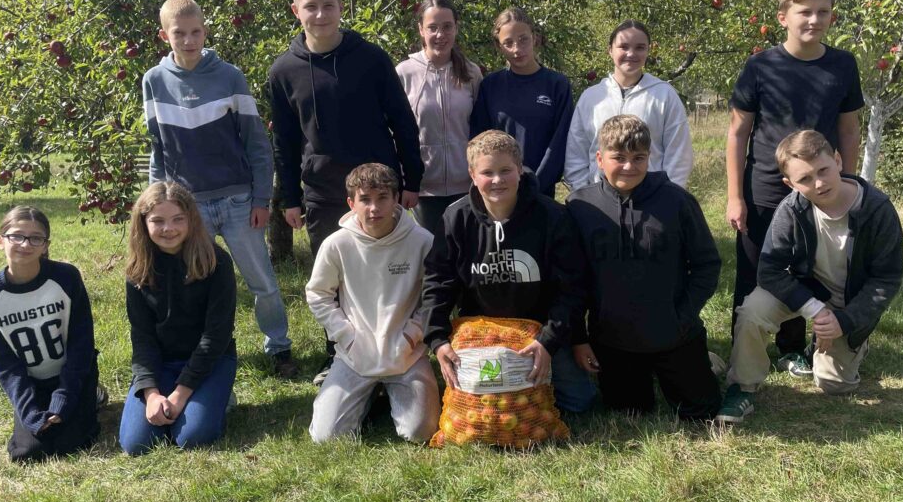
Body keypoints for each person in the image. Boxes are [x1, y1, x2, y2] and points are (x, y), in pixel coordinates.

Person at [268, 0, 424, 386]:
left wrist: (411, 180)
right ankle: (337, 354)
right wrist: (289, 198)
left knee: (386, 272)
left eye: (329, 6)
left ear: (341, 6)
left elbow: (402, 121)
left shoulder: (371, 59)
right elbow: (284, 140)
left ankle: (398, 348)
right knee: (333, 278)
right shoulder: (283, 71)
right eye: (311, 7)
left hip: (379, 190)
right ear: (295, 10)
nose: (321, 15)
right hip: (322, 191)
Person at [142, 0, 295, 379]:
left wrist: (262, 198)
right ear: (165, 35)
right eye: (180, 34)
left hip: (239, 201)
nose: (189, 40)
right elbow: (157, 149)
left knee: (263, 283)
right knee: (194, 286)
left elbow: (257, 143)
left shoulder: (229, 76)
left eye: (196, 32)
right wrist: (155, 206)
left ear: (205, 31)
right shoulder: (154, 81)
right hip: (187, 208)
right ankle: (205, 353)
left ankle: (279, 347)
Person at [726, 0, 864, 377]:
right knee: (754, 271)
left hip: (819, 189)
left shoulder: (842, 65)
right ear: (783, 16)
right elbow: (737, 133)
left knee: (806, 268)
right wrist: (735, 196)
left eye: (823, 12)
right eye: (805, 12)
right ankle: (744, 352)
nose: (814, 20)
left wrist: (848, 184)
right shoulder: (760, 65)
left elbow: (850, 130)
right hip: (764, 188)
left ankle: (792, 349)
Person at [717, 130, 903, 423]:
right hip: (809, 293)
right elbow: (769, 269)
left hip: (850, 302)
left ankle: (849, 343)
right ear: (789, 183)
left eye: (823, 170)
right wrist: (815, 309)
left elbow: (886, 280)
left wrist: (845, 321)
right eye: (804, 179)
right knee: (752, 309)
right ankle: (741, 386)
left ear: (839, 161)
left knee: (834, 385)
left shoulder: (876, 209)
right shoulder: (792, 208)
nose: (818, 183)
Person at [421, 130, 595, 413]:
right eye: (487, 172)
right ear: (472, 175)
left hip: (539, 331)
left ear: (520, 170)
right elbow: (438, 281)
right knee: (482, 411)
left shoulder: (553, 216)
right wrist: (438, 340)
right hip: (481, 334)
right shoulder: (456, 218)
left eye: (505, 171)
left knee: (579, 403)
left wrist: (549, 342)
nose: (497, 180)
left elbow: (572, 288)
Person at [566, 116, 721, 419]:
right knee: (630, 413)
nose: (629, 166)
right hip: (613, 340)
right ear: (599, 159)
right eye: (618, 158)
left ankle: (705, 360)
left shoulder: (677, 201)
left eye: (638, 158)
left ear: (650, 157)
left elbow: (707, 265)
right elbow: (570, 280)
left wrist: (684, 316)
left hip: (674, 333)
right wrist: (578, 338)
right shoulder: (579, 207)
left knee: (701, 411)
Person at [306, 163, 439, 443]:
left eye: (382, 198)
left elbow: (435, 296)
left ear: (396, 199)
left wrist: (412, 335)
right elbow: (318, 294)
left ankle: (388, 393)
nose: (374, 208)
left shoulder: (422, 241)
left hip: (406, 354)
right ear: (351, 203)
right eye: (365, 200)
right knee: (326, 437)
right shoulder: (336, 244)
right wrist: (347, 336)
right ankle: (366, 396)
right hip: (355, 354)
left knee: (421, 433)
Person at [118, 182, 238, 455]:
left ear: (191, 220)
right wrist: (151, 394)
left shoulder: (216, 262)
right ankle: (183, 400)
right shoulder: (138, 269)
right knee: (136, 443)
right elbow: (142, 336)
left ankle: (217, 397)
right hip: (161, 362)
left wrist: (179, 394)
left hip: (210, 360)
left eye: (177, 219)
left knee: (192, 437)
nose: (168, 229)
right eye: (157, 221)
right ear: (143, 223)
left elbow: (215, 336)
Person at [0, 206, 102, 462]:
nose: (25, 244)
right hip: (33, 383)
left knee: (72, 444)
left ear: (46, 245)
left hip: (72, 375)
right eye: (16, 236)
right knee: (28, 453)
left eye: (36, 238)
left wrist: (63, 400)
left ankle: (94, 395)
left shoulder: (66, 277)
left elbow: (82, 344)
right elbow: (5, 364)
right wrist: (30, 412)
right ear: (0, 241)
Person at [396, 0, 481, 254]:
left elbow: (480, 129)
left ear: (456, 28)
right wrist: (404, 181)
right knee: (432, 257)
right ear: (421, 29)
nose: (440, 34)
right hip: (423, 190)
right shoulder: (404, 73)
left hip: (467, 185)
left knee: (468, 255)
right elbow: (396, 132)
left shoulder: (471, 72)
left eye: (447, 26)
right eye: (432, 27)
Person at [565, 20, 693, 191]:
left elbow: (679, 154)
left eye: (640, 47)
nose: (631, 54)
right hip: (599, 200)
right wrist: (583, 195)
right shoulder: (591, 98)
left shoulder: (664, 95)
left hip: (651, 198)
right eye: (623, 47)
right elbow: (576, 152)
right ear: (610, 50)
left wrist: (668, 196)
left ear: (648, 51)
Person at [468, 7, 572, 197]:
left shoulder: (557, 84)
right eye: (508, 43)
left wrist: (535, 185)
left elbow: (560, 142)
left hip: (541, 192)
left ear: (534, 37)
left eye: (523, 39)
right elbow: (479, 139)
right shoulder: (490, 86)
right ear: (499, 47)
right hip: (499, 190)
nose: (517, 49)